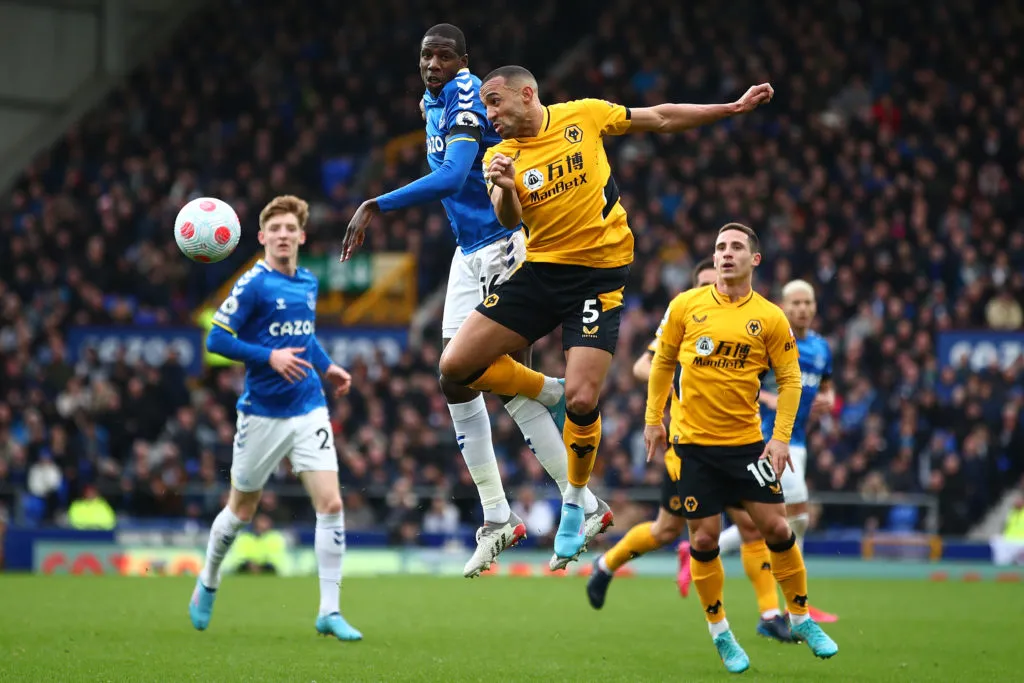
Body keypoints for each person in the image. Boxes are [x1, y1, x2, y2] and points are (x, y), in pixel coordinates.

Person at [437, 64, 775, 566]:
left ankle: (576, 501)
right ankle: (543, 389)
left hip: (598, 279)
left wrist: (730, 107)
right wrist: (505, 187)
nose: (490, 115)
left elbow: (659, 117)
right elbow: (509, 218)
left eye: (494, 103)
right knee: (453, 369)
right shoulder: (501, 154)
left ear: (526, 94)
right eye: (485, 107)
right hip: (541, 274)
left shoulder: (584, 117)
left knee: (582, 398)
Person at [340, 24, 609, 577]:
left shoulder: (465, 95)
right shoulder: (429, 100)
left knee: (499, 380)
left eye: (443, 56)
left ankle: (577, 500)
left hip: (504, 243)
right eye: (425, 56)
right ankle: (499, 516)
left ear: (463, 60)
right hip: (469, 252)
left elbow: (455, 174)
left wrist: (377, 203)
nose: (433, 64)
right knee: (455, 377)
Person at [644, 223, 838, 672]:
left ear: (755, 259)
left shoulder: (770, 317)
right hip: (692, 446)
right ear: (713, 259)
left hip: (747, 446)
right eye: (719, 248)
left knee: (778, 528)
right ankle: (721, 632)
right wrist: (653, 419)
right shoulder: (685, 306)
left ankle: (802, 617)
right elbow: (661, 363)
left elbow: (789, 379)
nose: (725, 254)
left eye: (735, 247)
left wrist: (781, 438)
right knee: (705, 538)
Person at [589, 257, 795, 644]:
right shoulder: (685, 318)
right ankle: (606, 563)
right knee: (667, 530)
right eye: (706, 281)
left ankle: (769, 613)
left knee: (751, 526)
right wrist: (683, 369)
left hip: (733, 445)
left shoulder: (741, 319)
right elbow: (641, 366)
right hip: (687, 450)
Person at [189, 195, 362, 641]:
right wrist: (269, 356)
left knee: (332, 503)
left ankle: (329, 610)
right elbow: (216, 340)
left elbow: (304, 337)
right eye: (276, 229)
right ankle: (208, 579)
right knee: (240, 511)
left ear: (301, 236)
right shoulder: (253, 285)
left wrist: (327, 367)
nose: (284, 235)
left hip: (308, 406)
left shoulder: (306, 281)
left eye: (291, 229)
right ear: (263, 238)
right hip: (262, 413)